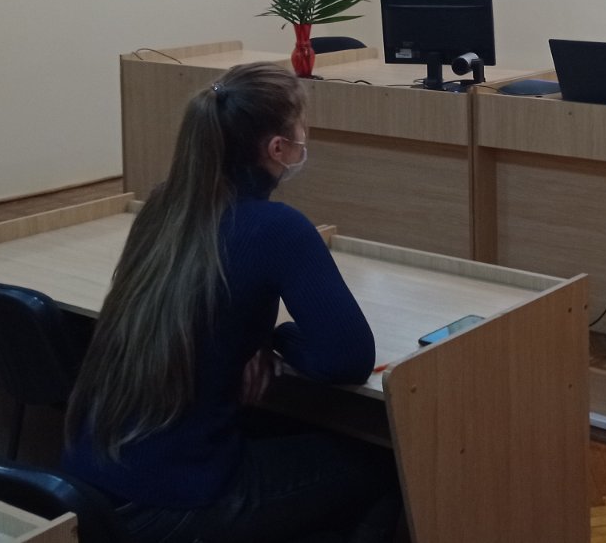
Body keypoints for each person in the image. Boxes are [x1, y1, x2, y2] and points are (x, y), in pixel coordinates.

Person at [63, 62, 401, 543]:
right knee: (388, 463)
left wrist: (253, 339)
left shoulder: (163, 208)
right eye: (301, 125)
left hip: (90, 484)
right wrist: (278, 337)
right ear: (277, 149)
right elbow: (347, 358)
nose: (306, 135)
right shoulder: (277, 228)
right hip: (173, 502)